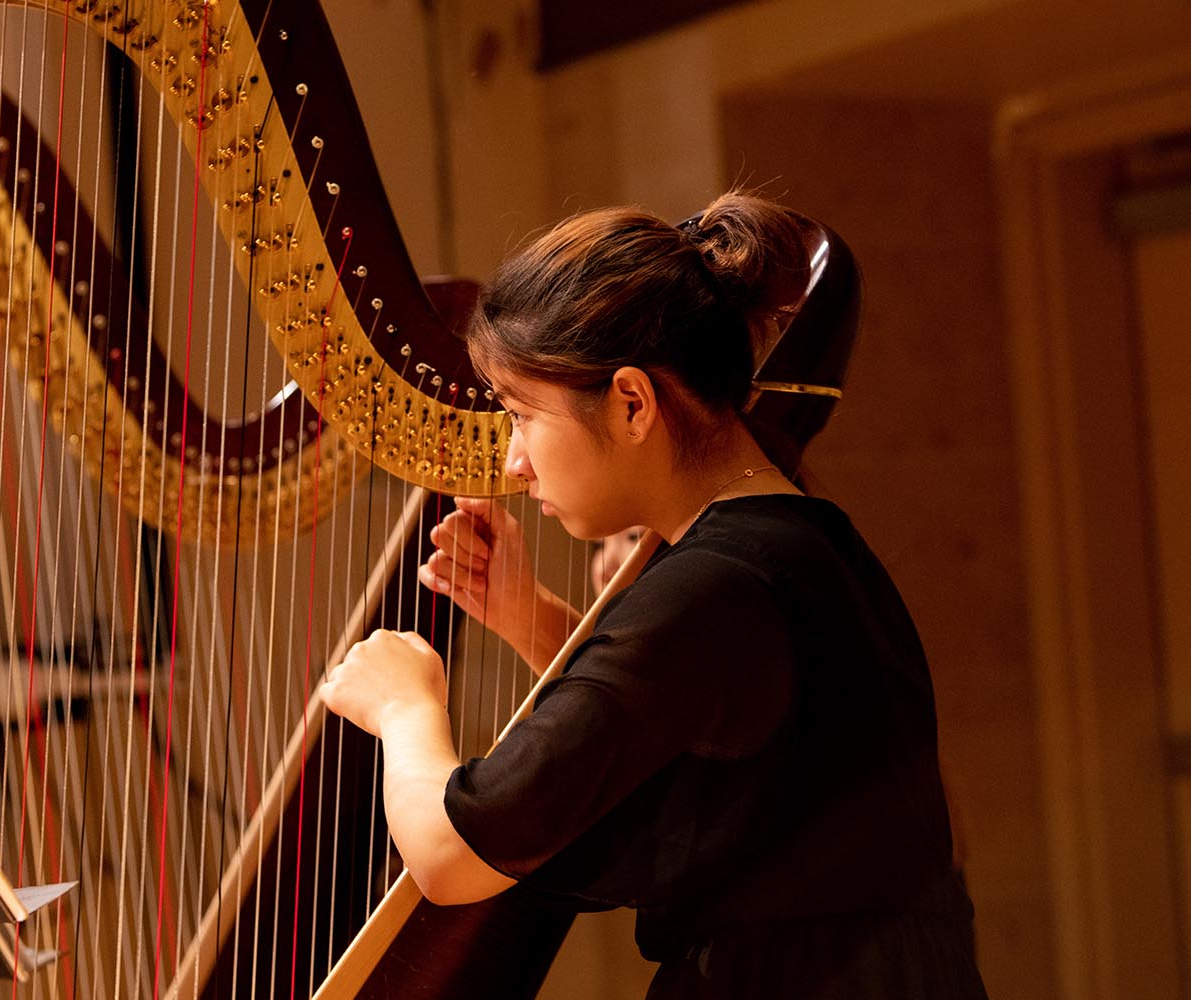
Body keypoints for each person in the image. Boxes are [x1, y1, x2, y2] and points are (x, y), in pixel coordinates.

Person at [319, 193, 987, 997]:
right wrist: (528, 616)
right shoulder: (794, 544)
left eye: (523, 416)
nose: (513, 462)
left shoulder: (715, 585)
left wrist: (405, 706)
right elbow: (705, 743)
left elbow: (450, 856)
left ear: (633, 403)